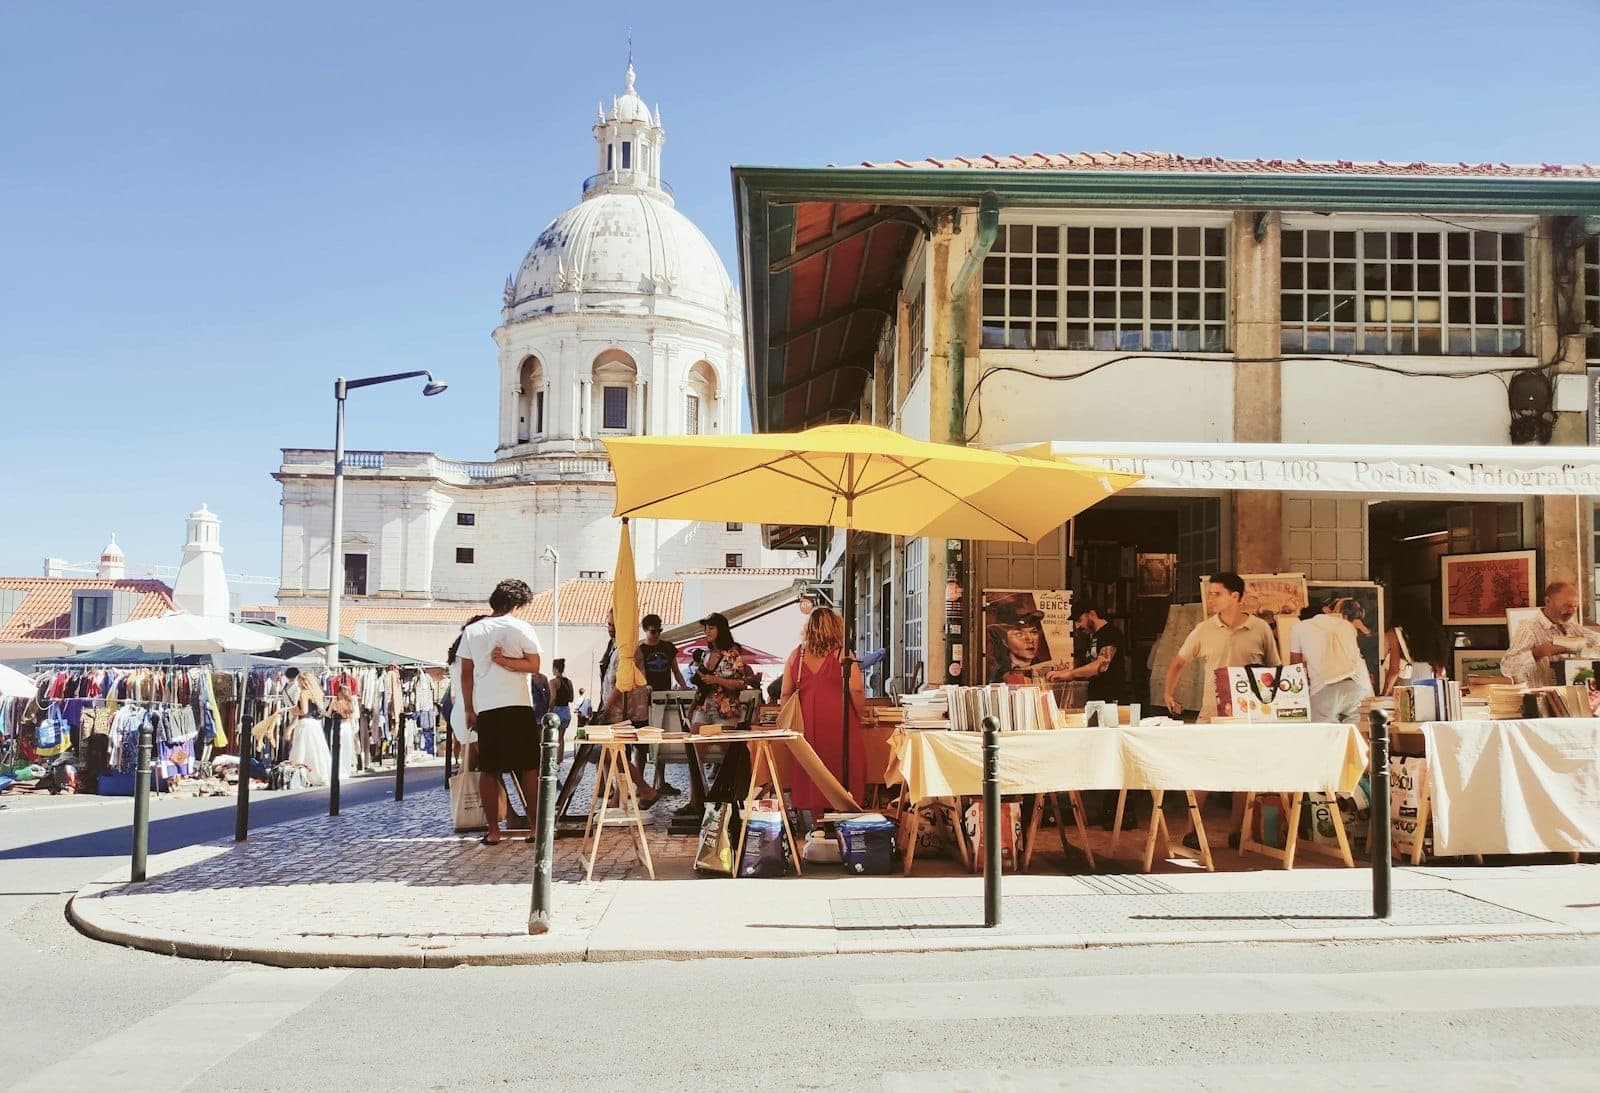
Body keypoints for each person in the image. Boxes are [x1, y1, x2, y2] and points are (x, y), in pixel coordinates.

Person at [1162, 571, 1282, 849]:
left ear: (1235, 596)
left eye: (1217, 593)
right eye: (1211, 593)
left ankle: (1237, 831)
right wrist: (1169, 692)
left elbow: (1275, 670)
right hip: (1211, 712)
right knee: (1202, 770)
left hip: (1249, 716)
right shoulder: (1203, 629)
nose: (1212, 598)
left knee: (1243, 772)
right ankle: (1192, 830)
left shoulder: (1260, 629)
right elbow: (1179, 661)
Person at [458, 579, 542, 846]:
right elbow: (534, 665)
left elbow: (466, 675)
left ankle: (494, 831)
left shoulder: (472, 631)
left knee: (489, 769)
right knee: (529, 767)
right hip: (518, 703)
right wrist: (506, 661)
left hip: (488, 706)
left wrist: (470, 708)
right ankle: (535, 828)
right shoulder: (521, 627)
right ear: (517, 604)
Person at [780, 606, 867, 822]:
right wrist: (861, 713)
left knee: (813, 771)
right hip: (841, 722)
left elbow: (785, 693)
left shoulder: (796, 656)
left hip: (807, 724)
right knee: (842, 767)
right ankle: (842, 817)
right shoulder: (843, 654)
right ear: (836, 628)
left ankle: (817, 822)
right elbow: (855, 689)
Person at [1290, 597, 1374, 724]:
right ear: (1324, 611)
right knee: (1357, 734)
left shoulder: (1298, 628)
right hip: (1358, 685)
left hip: (1323, 688)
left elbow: (1296, 668)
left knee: (1325, 736)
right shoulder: (1345, 625)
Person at [1502, 581, 1598, 687]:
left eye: (1575, 606)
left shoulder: (1570, 626)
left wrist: (1581, 646)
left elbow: (1596, 640)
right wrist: (1537, 653)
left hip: (1565, 697)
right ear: (1548, 601)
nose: (1572, 611)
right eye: (1567, 606)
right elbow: (1507, 668)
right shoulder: (1529, 629)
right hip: (1538, 699)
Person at [693, 612, 758, 726]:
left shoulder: (732, 654)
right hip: (705, 705)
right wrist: (693, 706)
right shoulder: (705, 655)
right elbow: (701, 685)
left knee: (719, 742)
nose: (707, 631)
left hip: (726, 708)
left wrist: (717, 680)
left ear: (721, 630)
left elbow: (742, 683)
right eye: (706, 628)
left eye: (711, 628)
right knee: (697, 739)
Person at [283, 667, 332, 786]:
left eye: (299, 682)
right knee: (316, 750)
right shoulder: (316, 693)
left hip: (304, 724)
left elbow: (304, 711)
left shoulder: (304, 693)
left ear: (302, 681)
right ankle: (317, 774)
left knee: (301, 750)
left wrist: (295, 711)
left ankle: (299, 776)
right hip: (314, 724)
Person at [984, 599, 1054, 684]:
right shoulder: (995, 672)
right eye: (1019, 634)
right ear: (1004, 641)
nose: (1030, 639)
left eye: (1034, 632)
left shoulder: (1046, 668)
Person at [635, 614, 687, 691]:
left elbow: (676, 671)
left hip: (666, 693)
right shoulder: (640, 650)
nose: (657, 634)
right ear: (645, 630)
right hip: (648, 694)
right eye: (653, 631)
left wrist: (684, 688)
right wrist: (644, 687)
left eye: (659, 631)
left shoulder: (668, 646)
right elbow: (637, 675)